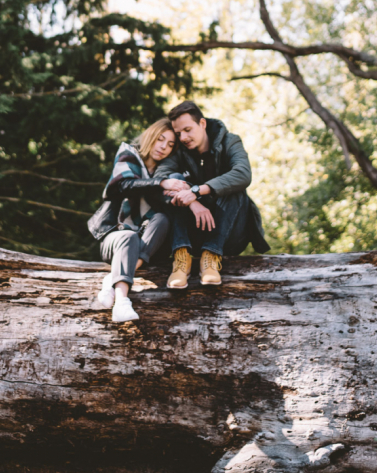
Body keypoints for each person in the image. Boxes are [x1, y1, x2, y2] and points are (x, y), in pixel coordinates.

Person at [153, 100, 269, 289]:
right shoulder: (179, 151)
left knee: (234, 186)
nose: (182, 137)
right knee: (174, 179)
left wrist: (197, 190)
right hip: (193, 233)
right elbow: (159, 181)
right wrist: (192, 201)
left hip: (229, 234)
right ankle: (181, 259)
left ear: (202, 124)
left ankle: (211, 257)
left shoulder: (230, 141)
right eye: (178, 133)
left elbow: (243, 174)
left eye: (188, 129)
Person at [87, 118, 181, 323]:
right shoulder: (128, 154)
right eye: (160, 139)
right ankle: (121, 302)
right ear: (150, 136)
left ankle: (112, 278)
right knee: (128, 236)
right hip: (115, 238)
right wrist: (161, 183)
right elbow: (124, 185)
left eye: (170, 144)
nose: (164, 147)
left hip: (146, 243)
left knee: (162, 220)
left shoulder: (165, 168)